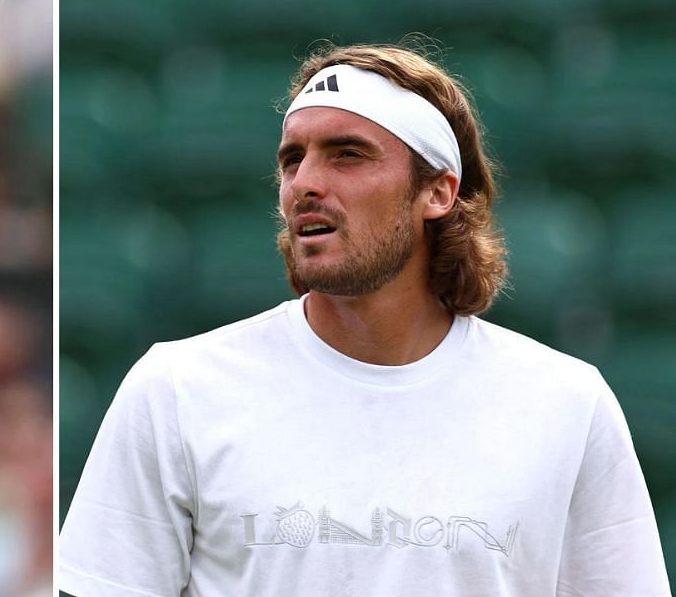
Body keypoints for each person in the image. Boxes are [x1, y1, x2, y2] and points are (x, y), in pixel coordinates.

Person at [57, 43, 669, 596]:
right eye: (292, 160)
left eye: (348, 155)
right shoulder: (174, 390)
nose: (305, 184)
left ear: (438, 192)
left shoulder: (567, 403)